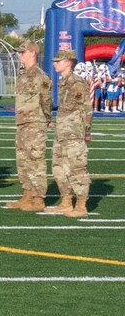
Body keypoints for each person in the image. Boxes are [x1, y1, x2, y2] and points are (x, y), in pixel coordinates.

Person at [44, 47, 94, 218]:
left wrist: (87, 131)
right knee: (59, 168)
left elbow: (86, 108)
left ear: (68, 62)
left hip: (74, 133)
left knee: (77, 168)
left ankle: (81, 205)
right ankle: (66, 202)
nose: (55, 64)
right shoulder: (63, 82)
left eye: (58, 61)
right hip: (62, 132)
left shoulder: (77, 83)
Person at [7, 42, 52, 212]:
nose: (20, 55)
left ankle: (39, 198)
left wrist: (46, 118)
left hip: (35, 122)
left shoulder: (39, 75)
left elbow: (46, 99)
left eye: (23, 52)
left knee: (36, 160)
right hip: (22, 121)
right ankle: (27, 194)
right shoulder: (23, 74)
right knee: (22, 160)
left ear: (33, 53)